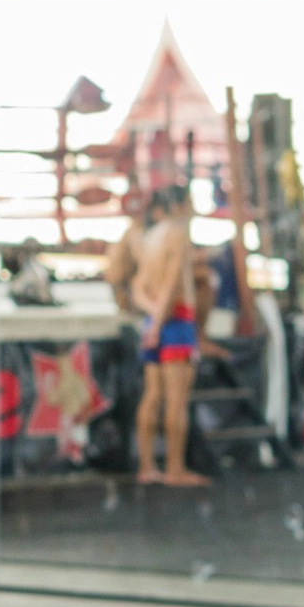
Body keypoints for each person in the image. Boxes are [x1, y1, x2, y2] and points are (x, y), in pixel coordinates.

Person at [131, 184, 209, 487]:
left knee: (152, 397)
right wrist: (160, 321)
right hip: (175, 322)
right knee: (176, 401)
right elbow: (173, 283)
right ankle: (175, 469)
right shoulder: (176, 234)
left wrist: (152, 318)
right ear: (178, 206)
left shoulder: (149, 238)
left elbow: (138, 287)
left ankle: (148, 466)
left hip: (155, 319)